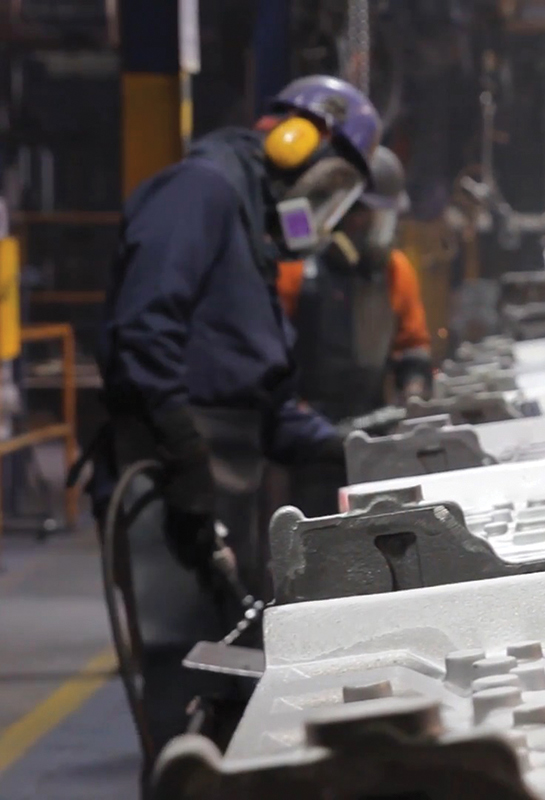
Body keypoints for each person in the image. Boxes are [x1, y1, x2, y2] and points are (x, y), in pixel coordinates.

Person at [90, 75, 381, 775]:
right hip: (171, 467)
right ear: (293, 139)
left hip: (223, 467)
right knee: (183, 679)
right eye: (332, 182)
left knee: (227, 682)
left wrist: (363, 446)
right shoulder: (203, 191)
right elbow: (144, 329)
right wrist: (183, 452)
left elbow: (266, 404)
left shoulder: (248, 226)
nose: (325, 210)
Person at [275, 146, 431, 516]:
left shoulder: (395, 270)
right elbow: (273, 359)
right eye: (373, 215)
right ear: (347, 213)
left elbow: (414, 347)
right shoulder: (296, 270)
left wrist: (414, 394)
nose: (379, 228)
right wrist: (299, 419)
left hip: (377, 440)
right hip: (311, 445)